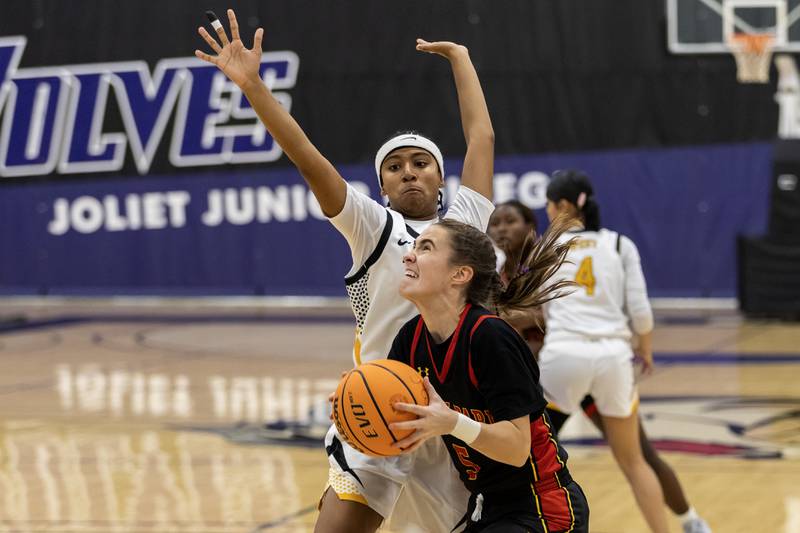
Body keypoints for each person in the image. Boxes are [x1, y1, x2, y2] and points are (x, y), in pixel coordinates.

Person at [195, 10, 495, 533]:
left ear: (441, 176)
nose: (408, 172)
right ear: (381, 187)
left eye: (419, 163)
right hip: (379, 401)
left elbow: (482, 137)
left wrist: (461, 59)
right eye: (394, 167)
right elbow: (307, 156)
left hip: (450, 416)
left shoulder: (466, 222)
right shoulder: (372, 224)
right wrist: (254, 89)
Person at [491, 189, 712, 533]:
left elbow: (540, 314)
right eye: (494, 223)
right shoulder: (496, 275)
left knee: (638, 454)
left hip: (564, 368)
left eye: (510, 221)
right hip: (552, 374)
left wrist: (509, 316)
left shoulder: (552, 256)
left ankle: (690, 520)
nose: (501, 229)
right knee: (529, 461)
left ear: (531, 226)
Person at [386, 218, 588, 532]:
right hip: (486, 505)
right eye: (413, 247)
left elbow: (518, 449)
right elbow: (392, 416)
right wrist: (353, 410)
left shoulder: (489, 336)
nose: (409, 255)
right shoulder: (409, 340)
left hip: (542, 507)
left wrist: (452, 422)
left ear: (460, 274)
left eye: (425, 247)